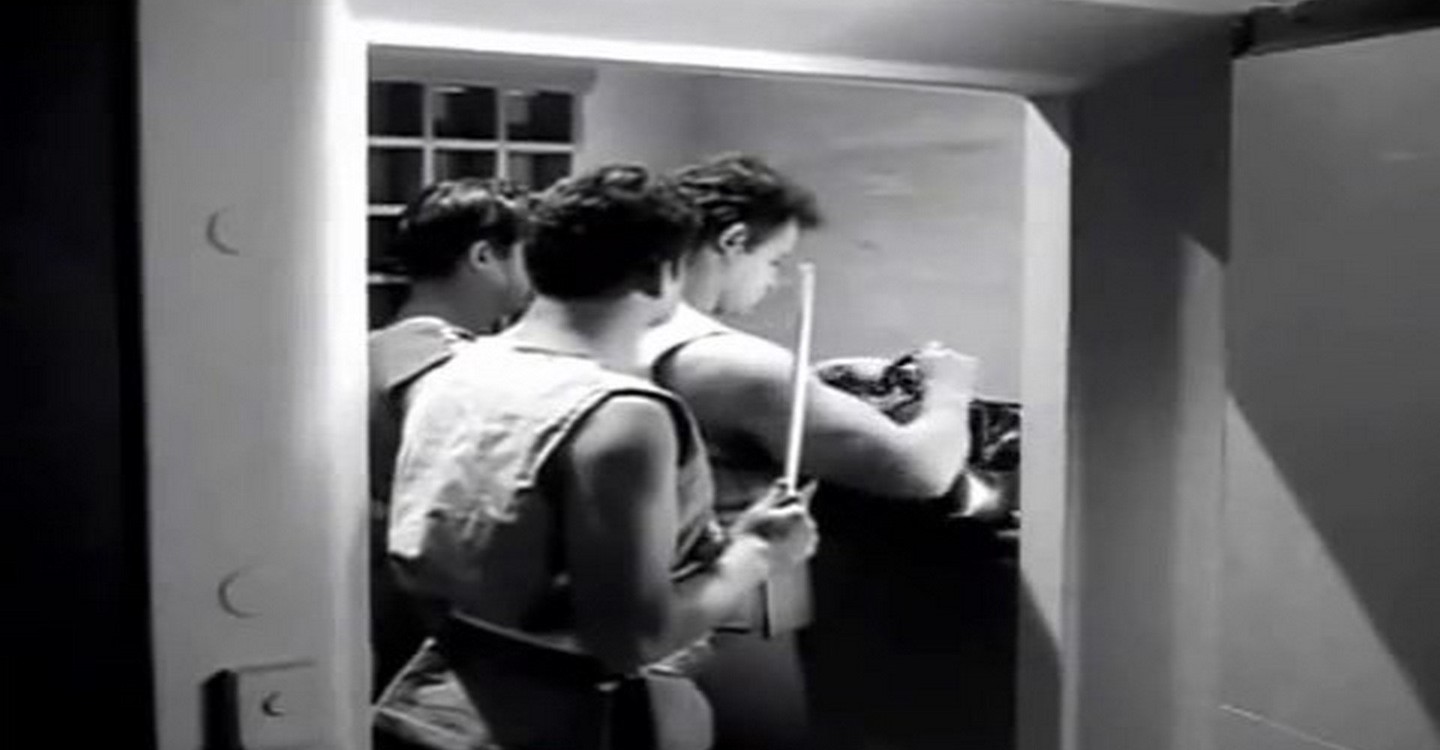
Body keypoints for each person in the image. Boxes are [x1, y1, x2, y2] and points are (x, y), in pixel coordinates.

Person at [386, 164, 820, 750]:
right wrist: (756, 554)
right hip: (558, 720)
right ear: (662, 272)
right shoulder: (622, 415)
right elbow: (631, 639)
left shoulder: (453, 369)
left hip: (434, 700)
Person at [639, 153, 981, 750]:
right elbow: (920, 470)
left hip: (637, 613)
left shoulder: (630, 330)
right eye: (772, 260)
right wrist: (950, 391)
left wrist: (812, 387)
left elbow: (723, 424)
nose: (772, 279)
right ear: (733, 240)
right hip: (727, 621)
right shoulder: (736, 362)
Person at [367, 178, 534, 749]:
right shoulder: (433, 356)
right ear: (484, 256)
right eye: (527, 253)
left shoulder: (382, 344)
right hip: (420, 602)